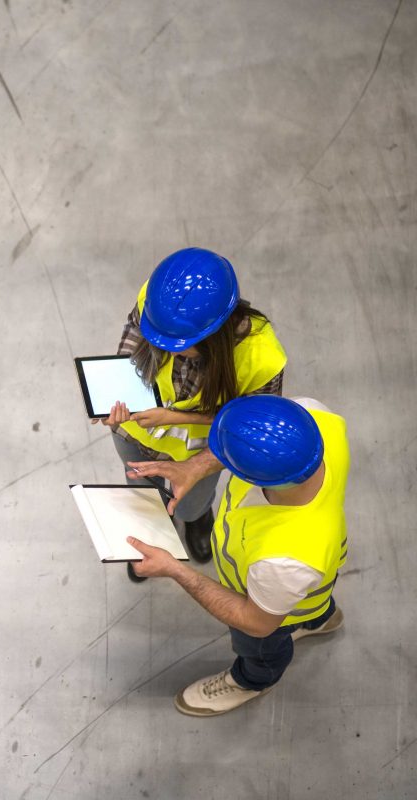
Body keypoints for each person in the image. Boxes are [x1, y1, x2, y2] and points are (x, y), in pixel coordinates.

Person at [125, 395, 349, 716]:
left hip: (270, 607)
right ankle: (320, 618)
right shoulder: (316, 415)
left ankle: (251, 681)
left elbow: (256, 622)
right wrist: (193, 467)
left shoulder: (285, 562)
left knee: (260, 648)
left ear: (260, 479)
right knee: (310, 599)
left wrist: (175, 569)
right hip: (314, 572)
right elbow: (254, 437)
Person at [94, 247, 287, 579]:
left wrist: (176, 420)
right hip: (135, 432)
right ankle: (154, 530)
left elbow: (248, 432)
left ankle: (198, 520)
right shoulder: (159, 301)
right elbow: (135, 329)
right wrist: (116, 391)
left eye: (176, 343)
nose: (164, 347)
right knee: (142, 488)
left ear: (215, 337)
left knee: (191, 503)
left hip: (196, 455)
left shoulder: (262, 359)